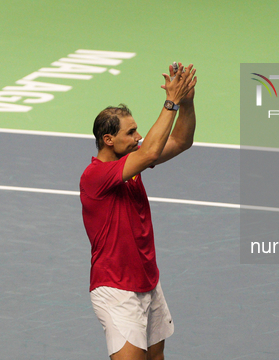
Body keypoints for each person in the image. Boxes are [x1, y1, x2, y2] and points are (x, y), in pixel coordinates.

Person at [79, 63, 197, 360]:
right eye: (131, 132)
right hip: (117, 290)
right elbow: (151, 151)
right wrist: (170, 102)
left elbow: (182, 141)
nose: (138, 136)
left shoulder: (131, 164)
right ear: (109, 140)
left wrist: (187, 103)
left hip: (148, 282)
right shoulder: (96, 176)